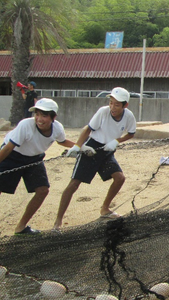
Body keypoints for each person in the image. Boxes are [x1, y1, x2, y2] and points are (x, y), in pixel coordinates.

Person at [53, 87, 136, 230]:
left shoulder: (129, 116)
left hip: (107, 150)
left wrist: (116, 141)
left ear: (125, 105)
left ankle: (105, 209)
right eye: (111, 103)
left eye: (117, 104)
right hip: (92, 148)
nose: (112, 107)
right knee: (74, 184)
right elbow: (88, 129)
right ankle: (58, 221)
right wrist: (78, 146)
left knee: (120, 178)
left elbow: (131, 133)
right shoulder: (103, 112)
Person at [0, 98, 74, 235]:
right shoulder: (25, 125)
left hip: (34, 158)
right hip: (12, 156)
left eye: (44, 115)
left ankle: (21, 227)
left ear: (53, 117)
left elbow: (62, 141)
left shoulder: (57, 128)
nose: (39, 119)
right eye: (37, 114)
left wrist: (78, 147)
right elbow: (9, 148)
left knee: (43, 190)